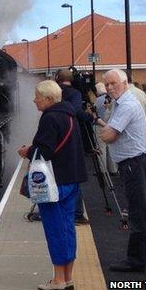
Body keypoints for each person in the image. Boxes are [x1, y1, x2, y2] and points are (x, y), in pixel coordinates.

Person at [98, 69, 146, 272]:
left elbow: (109, 136)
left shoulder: (127, 106)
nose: (110, 88)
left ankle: (136, 260)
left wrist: (105, 129)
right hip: (138, 163)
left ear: (124, 82)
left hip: (134, 164)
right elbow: (110, 131)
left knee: (138, 213)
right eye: (107, 85)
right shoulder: (124, 103)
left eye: (113, 83)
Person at [17, 80, 87, 290]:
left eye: (37, 96)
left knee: (55, 230)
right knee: (67, 228)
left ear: (48, 99)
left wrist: (27, 151)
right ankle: (68, 276)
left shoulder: (50, 118)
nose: (34, 100)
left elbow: (45, 151)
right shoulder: (70, 115)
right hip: (71, 179)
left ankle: (58, 280)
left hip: (54, 183)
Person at [56, 69, 93, 225]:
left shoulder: (54, 91)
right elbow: (77, 111)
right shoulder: (75, 93)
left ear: (57, 78)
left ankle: (58, 206)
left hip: (55, 133)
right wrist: (90, 117)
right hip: (70, 133)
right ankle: (77, 213)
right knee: (74, 173)